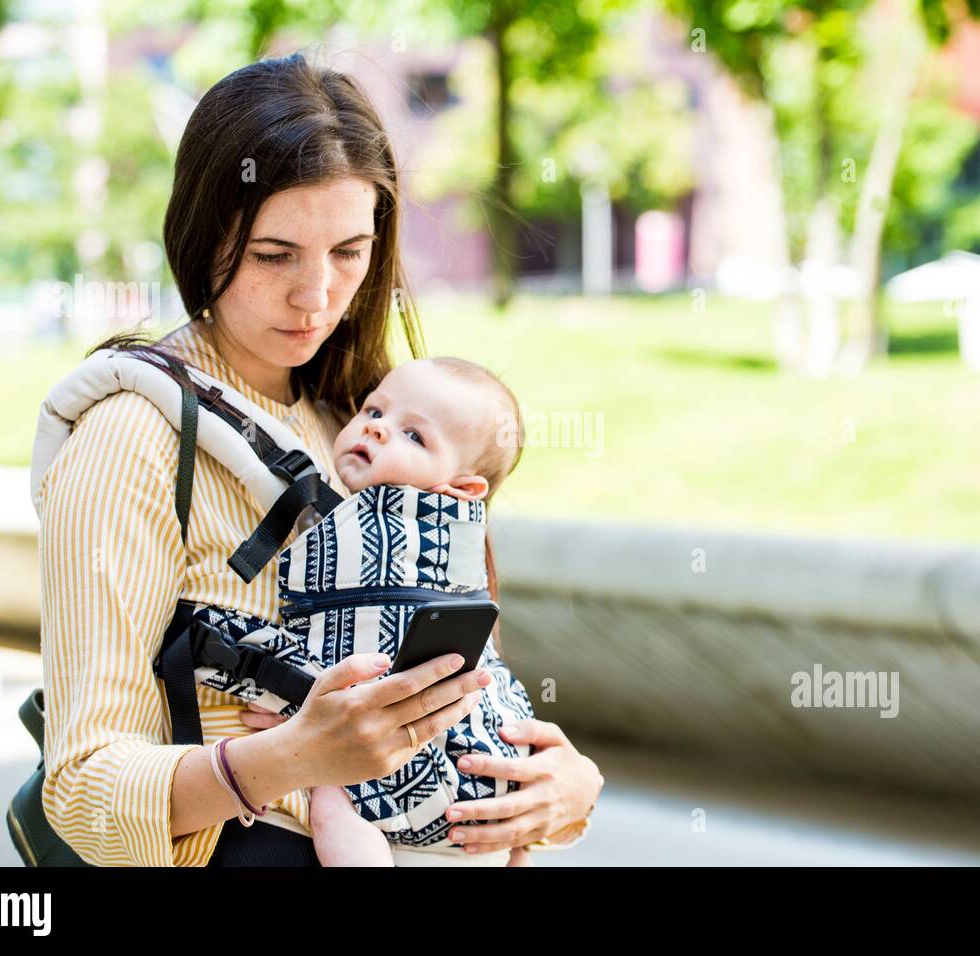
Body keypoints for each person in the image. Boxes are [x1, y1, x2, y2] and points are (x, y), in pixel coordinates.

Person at [37, 52, 603, 866]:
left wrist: (564, 789)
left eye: (349, 251)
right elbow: (82, 792)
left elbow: (464, 676)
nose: (316, 296)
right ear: (203, 236)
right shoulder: (132, 434)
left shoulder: (369, 420)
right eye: (273, 255)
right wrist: (297, 756)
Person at [304, 356, 536, 866]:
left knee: (330, 799)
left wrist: (286, 699)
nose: (377, 430)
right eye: (374, 410)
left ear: (460, 488)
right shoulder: (459, 548)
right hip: (495, 765)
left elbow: (355, 653)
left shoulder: (385, 538)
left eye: (414, 437)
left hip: (425, 760)